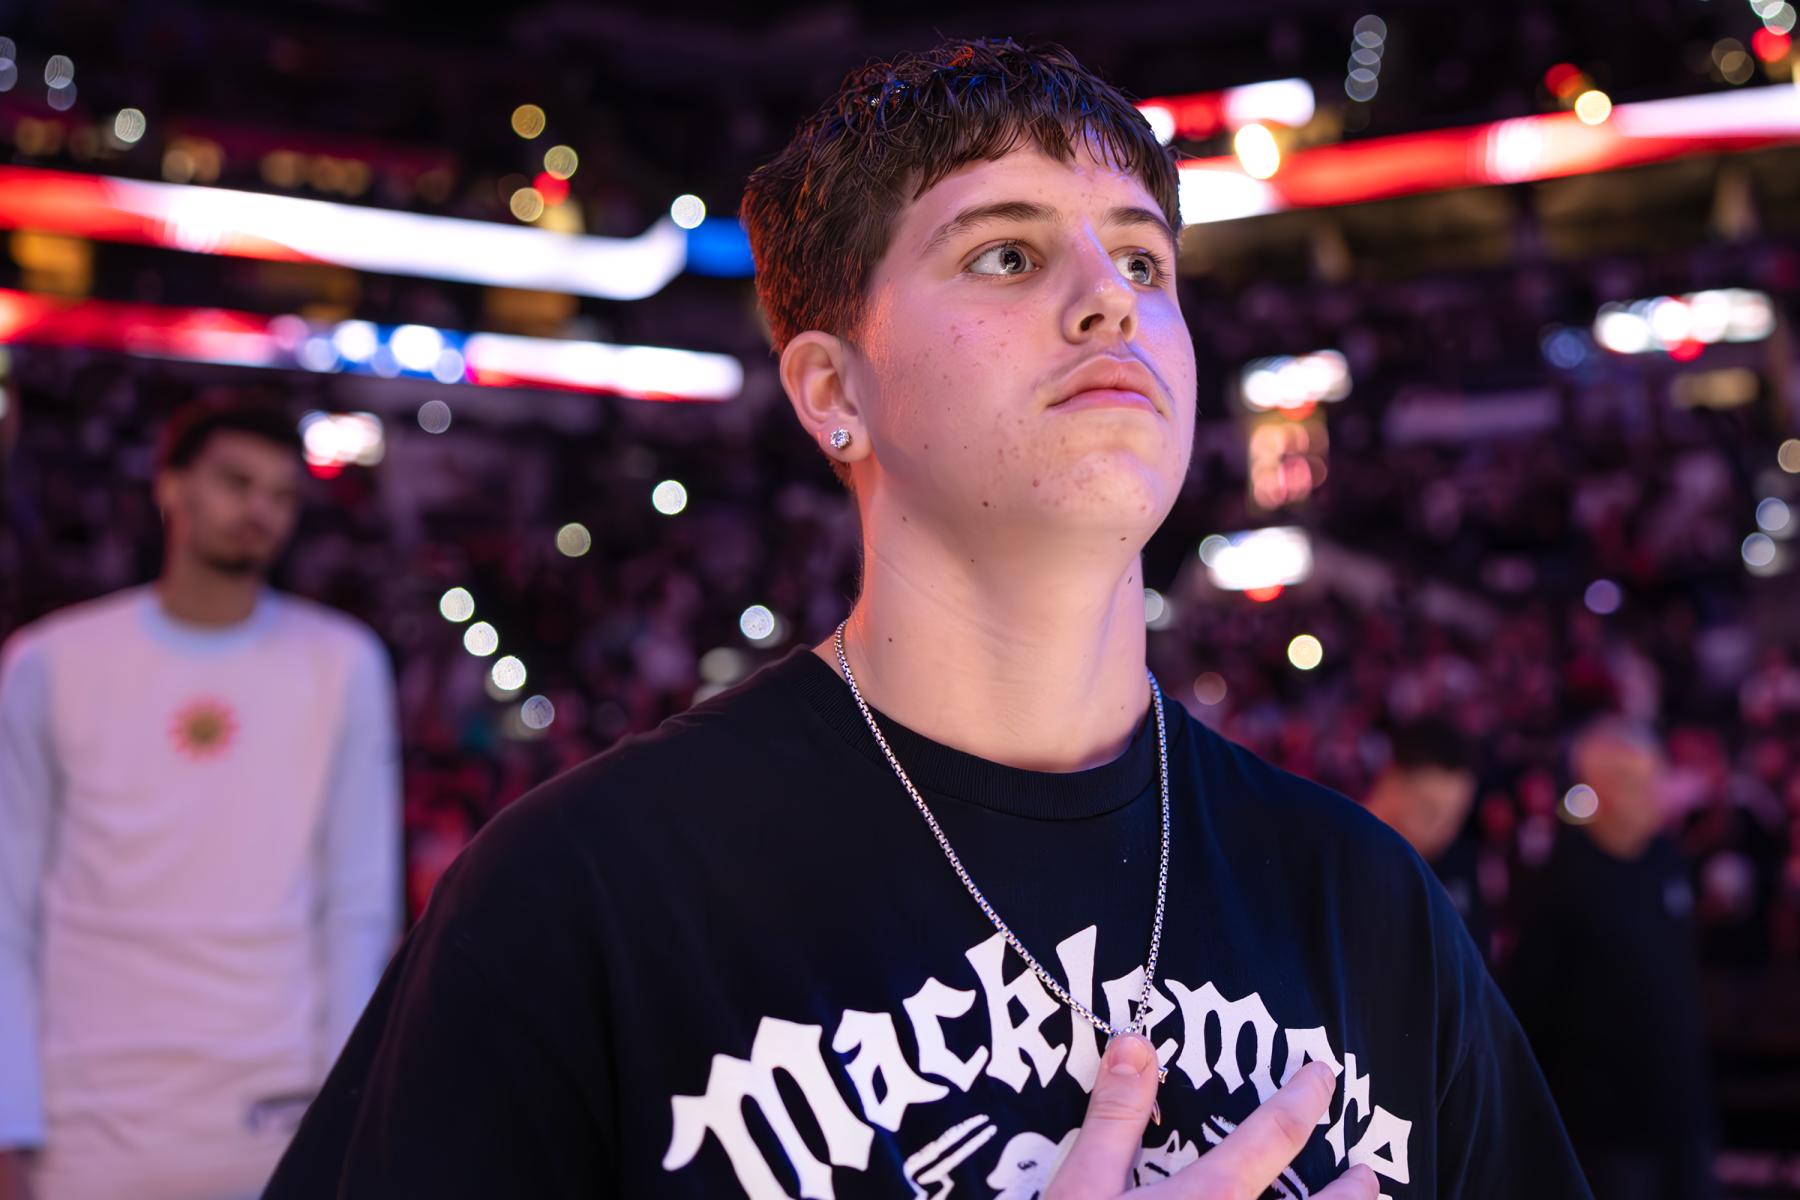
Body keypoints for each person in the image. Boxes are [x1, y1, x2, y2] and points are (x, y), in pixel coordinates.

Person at [266, 38, 1588, 1199]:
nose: (1111, 297)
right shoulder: (585, 894)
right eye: (1006, 253)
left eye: (1142, 257)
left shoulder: (1367, 905)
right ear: (834, 391)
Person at [0, 398, 401, 1200]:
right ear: (171, 485)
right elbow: (9, 906)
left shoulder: (342, 664)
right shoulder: (51, 662)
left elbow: (359, 905)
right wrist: (12, 1118)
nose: (259, 510)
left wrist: (345, 1115)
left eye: (282, 494)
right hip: (88, 1119)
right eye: (236, 482)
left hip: (277, 1110)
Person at [1505, 718, 1715, 1200]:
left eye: (1655, 775)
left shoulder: (1666, 859)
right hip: (1605, 1127)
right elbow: (1529, 1002)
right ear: (1599, 789)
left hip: (1684, 1111)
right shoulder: (1561, 880)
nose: (1654, 792)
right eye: (1635, 780)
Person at [1362, 721, 1490, 958]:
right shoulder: (1342, 854)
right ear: (1391, 783)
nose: (1444, 831)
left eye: (1456, 817)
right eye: (1429, 812)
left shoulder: (1456, 865)